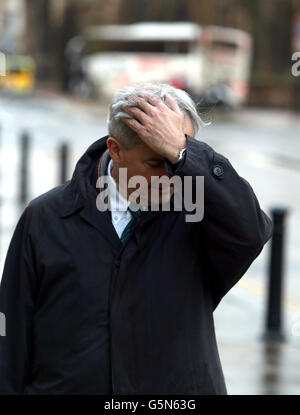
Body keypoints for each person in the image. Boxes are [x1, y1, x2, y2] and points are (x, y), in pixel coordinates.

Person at [0, 83, 273, 395]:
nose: (171, 178)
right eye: (157, 164)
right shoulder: (46, 217)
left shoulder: (200, 214)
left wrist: (187, 154)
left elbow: (252, 232)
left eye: (177, 161)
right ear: (115, 150)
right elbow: (10, 341)